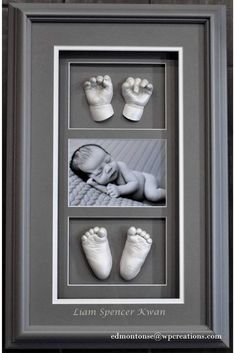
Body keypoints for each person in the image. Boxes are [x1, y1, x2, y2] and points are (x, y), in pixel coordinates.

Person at [70, 144, 166, 202]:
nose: (108, 168)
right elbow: (108, 191)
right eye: (99, 172)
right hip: (139, 194)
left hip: (145, 181)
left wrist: (119, 190)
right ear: (91, 179)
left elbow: (134, 184)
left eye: (108, 160)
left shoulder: (121, 166)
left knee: (152, 195)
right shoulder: (99, 182)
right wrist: (95, 185)